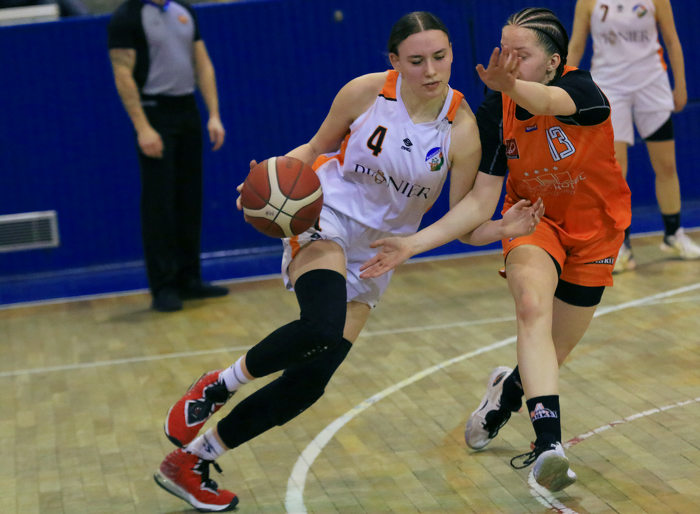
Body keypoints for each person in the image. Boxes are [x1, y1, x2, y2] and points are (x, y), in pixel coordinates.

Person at [151, 11, 543, 511]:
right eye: (416, 60)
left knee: (309, 382)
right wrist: (268, 181)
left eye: (440, 57)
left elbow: (465, 222)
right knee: (321, 325)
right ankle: (217, 387)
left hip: (380, 251)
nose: (430, 70)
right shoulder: (364, 92)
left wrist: (500, 229)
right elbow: (315, 148)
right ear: (394, 60)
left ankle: (192, 460)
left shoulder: (461, 127)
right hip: (327, 217)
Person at [360, 7, 632, 492]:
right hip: (533, 221)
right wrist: (414, 244)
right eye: (503, 52)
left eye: (520, 55)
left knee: (553, 350)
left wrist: (514, 87)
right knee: (532, 307)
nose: (507, 62)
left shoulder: (581, 89)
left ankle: (504, 397)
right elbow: (477, 206)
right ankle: (549, 446)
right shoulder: (494, 111)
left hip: (596, 231)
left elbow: (549, 100)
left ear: (552, 62)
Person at [108, 0, 229, 312]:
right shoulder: (127, 17)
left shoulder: (184, 11)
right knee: (159, 203)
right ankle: (163, 286)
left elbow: (202, 63)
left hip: (186, 108)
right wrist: (143, 128)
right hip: (154, 111)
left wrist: (213, 114)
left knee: (189, 198)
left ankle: (190, 279)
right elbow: (122, 73)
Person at [568, 0, 700, 272]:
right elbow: (576, 45)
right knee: (615, 170)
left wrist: (681, 84)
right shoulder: (588, 2)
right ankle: (621, 246)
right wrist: (564, 89)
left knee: (666, 165)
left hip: (652, 83)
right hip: (610, 86)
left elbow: (672, 40)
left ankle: (673, 235)